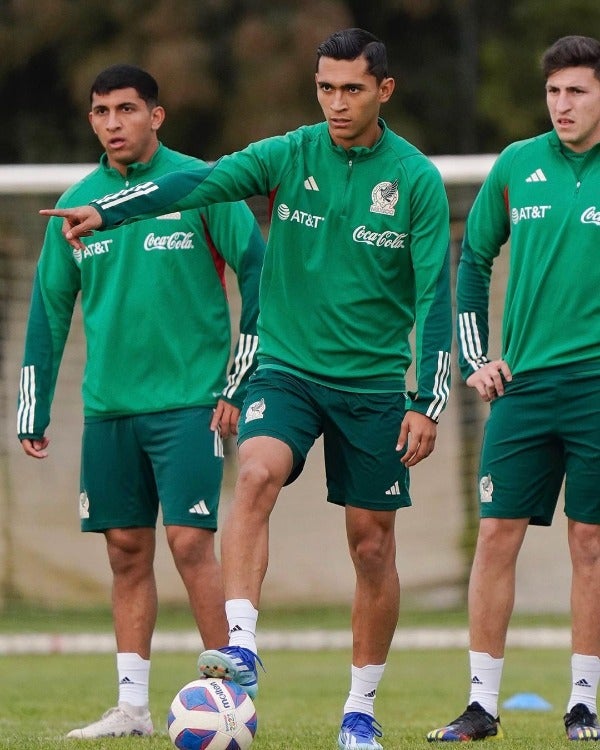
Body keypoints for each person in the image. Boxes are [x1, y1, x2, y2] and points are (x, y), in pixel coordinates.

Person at [40, 29, 452, 750]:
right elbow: (196, 182)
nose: (335, 103)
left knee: (371, 549)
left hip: (375, 383)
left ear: (384, 91)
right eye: (325, 87)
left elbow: (434, 299)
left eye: (351, 89)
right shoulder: (288, 153)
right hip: (287, 370)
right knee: (256, 471)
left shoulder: (414, 180)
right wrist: (111, 210)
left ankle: (359, 710)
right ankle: (242, 643)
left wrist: (427, 400)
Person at [19, 64, 265, 739]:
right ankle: (131, 707)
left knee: (190, 542)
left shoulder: (203, 186)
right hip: (109, 409)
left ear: (156, 114)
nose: (113, 123)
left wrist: (239, 382)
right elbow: (48, 310)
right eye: (101, 112)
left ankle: (229, 700)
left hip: (191, 402)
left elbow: (257, 270)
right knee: (126, 550)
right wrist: (31, 407)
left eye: (126, 109)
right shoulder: (74, 205)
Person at [425, 35, 600, 743]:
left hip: (596, 389)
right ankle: (481, 705)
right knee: (496, 536)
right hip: (522, 389)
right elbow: (471, 264)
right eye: (554, 91)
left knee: (589, 543)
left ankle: (585, 700)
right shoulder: (516, 165)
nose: (562, 104)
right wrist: (476, 357)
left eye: (578, 91)